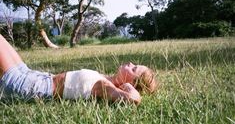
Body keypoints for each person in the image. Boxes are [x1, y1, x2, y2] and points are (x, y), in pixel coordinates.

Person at [0, 34, 157, 105]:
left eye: (134, 68)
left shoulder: (106, 88)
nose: (130, 63)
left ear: (131, 81)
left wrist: (127, 88)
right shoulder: (106, 79)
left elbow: (134, 98)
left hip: (28, 86)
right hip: (33, 76)